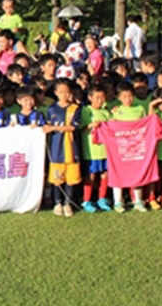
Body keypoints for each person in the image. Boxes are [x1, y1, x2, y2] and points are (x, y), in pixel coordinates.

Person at [43, 79, 81, 218]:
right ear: (56, 93)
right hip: (56, 149)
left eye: (67, 92)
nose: (64, 95)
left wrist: (54, 128)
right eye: (61, 92)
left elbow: (73, 127)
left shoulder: (75, 108)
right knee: (57, 179)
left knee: (71, 179)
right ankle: (57, 203)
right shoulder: (51, 109)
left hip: (71, 149)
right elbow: (46, 126)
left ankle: (68, 203)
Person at [111, 81, 147, 213]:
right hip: (120, 149)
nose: (128, 99)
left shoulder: (140, 109)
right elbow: (111, 128)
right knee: (118, 173)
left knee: (137, 173)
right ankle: (118, 202)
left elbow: (146, 126)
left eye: (130, 96)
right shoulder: (117, 111)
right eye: (124, 97)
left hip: (137, 148)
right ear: (119, 97)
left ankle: (138, 200)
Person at [79, 84, 112, 213]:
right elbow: (80, 128)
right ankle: (86, 200)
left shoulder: (106, 112)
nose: (100, 100)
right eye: (97, 98)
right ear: (90, 97)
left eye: (102, 98)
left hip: (105, 150)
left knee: (105, 174)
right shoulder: (85, 111)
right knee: (91, 176)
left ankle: (102, 199)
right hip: (91, 151)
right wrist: (90, 125)